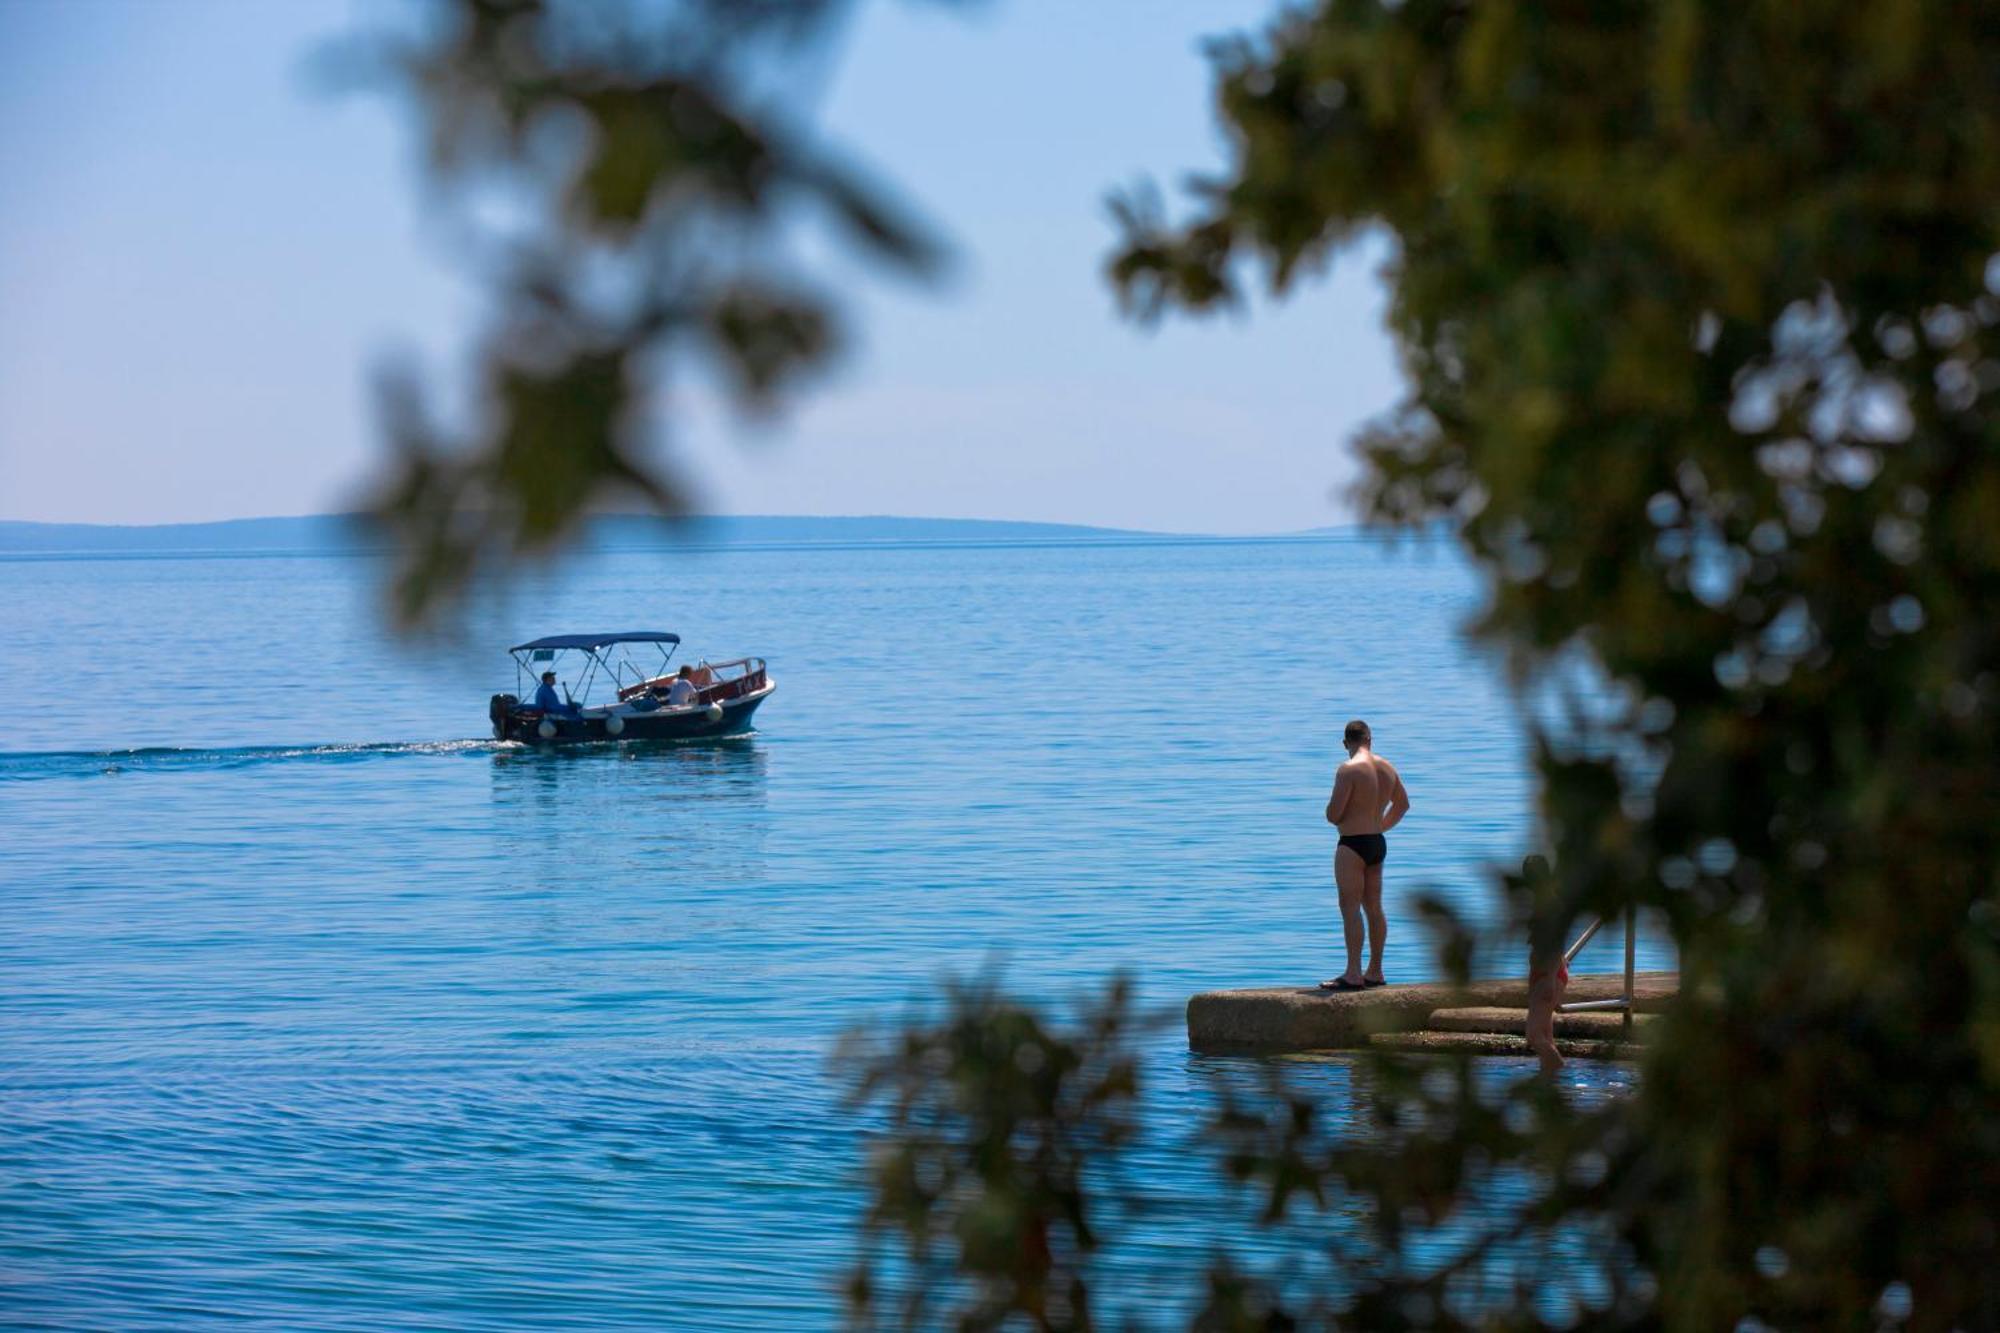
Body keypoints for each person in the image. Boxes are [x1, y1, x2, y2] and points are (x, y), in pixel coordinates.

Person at [1319, 719, 1410, 992]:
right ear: (1370, 739)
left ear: (1346, 743)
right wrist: (1380, 826)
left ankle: (1353, 973)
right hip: (1377, 843)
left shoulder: (1348, 769)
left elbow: (1333, 815)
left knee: (1350, 908)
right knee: (1374, 907)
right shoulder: (1387, 767)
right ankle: (1376, 970)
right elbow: (1403, 804)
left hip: (1352, 845)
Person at [1522, 854, 1570, 1075]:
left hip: (1547, 974)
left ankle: (1559, 1067)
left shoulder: (1546, 906)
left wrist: (1550, 978)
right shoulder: (1549, 900)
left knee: (1534, 1036)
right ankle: (1550, 1080)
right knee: (1546, 1033)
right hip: (1546, 971)